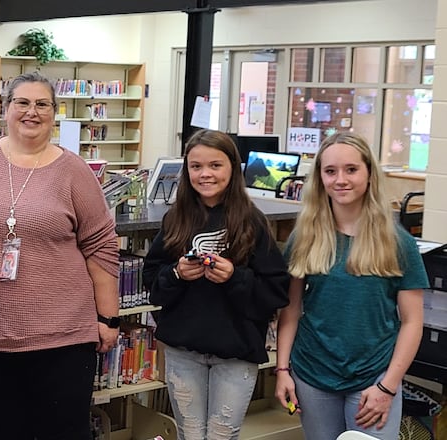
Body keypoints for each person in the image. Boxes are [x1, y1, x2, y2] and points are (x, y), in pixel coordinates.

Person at [0, 71, 120, 440]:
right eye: (22, 102)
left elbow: (101, 246)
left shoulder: (74, 172)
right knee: (2, 430)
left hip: (62, 337)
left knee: (62, 432)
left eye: (42, 104)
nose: (31, 112)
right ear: (6, 109)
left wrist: (109, 319)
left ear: (54, 113)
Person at [274, 133, 428, 440]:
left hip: (373, 379)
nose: (340, 179)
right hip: (312, 375)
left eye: (351, 169)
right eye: (330, 171)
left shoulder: (398, 242)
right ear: (320, 177)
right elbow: (290, 309)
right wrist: (281, 371)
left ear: (369, 173)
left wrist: (389, 385)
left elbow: (412, 322)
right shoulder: (306, 237)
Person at [142, 129, 290, 440]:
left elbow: (276, 291)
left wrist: (234, 277)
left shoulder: (253, 221)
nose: (205, 174)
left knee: (223, 435)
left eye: (215, 165)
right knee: (190, 434)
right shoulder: (175, 219)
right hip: (183, 350)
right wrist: (177, 273)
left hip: (236, 353)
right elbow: (153, 283)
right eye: (196, 167)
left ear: (233, 169)